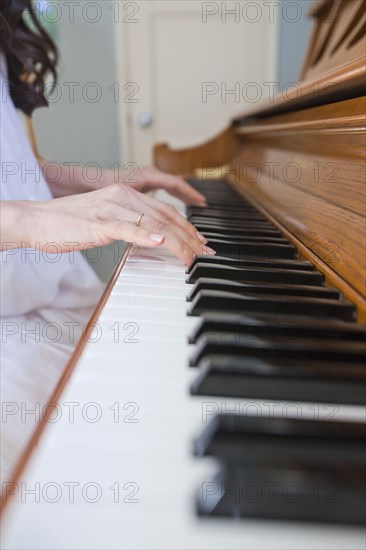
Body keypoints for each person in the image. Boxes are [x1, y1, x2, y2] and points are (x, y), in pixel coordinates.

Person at [0, 0, 215, 483]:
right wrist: (30, 221)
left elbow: (20, 171)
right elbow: (21, 203)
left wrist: (112, 182)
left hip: (51, 293)